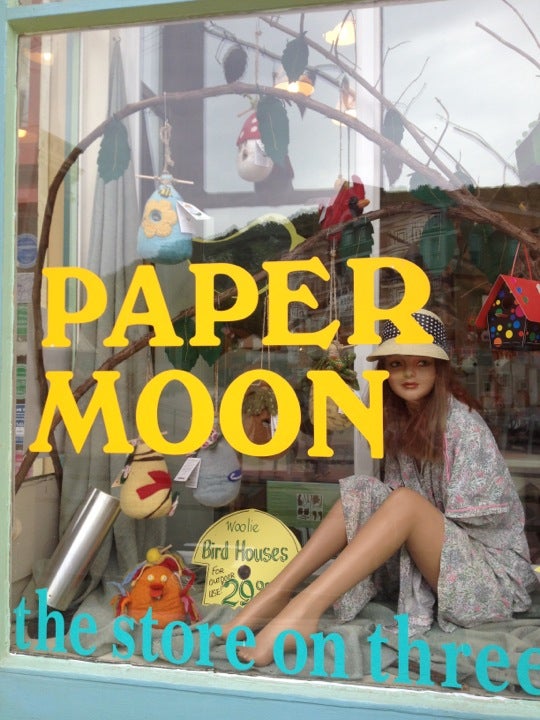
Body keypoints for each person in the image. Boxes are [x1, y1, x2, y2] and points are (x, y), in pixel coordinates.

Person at [221, 309, 537, 667]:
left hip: (489, 582)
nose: (409, 373)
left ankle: (305, 608)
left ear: (439, 370)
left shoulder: (463, 425)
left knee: (404, 502)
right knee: (362, 489)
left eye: (422, 363)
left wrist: (413, 516)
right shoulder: (401, 422)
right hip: (438, 566)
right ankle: (276, 593)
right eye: (397, 363)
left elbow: (462, 523)